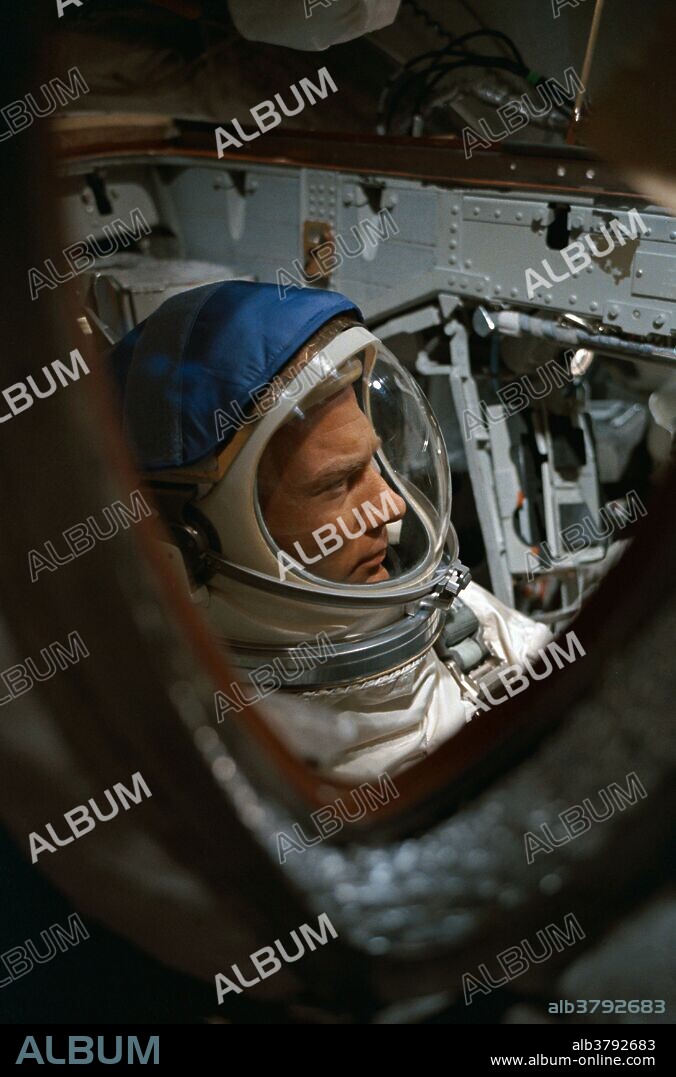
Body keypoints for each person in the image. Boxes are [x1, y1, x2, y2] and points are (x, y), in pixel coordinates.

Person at [109, 280, 549, 780]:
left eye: (372, 464)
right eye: (337, 483)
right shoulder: (207, 776)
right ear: (189, 544)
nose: (390, 506)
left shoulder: (463, 625)